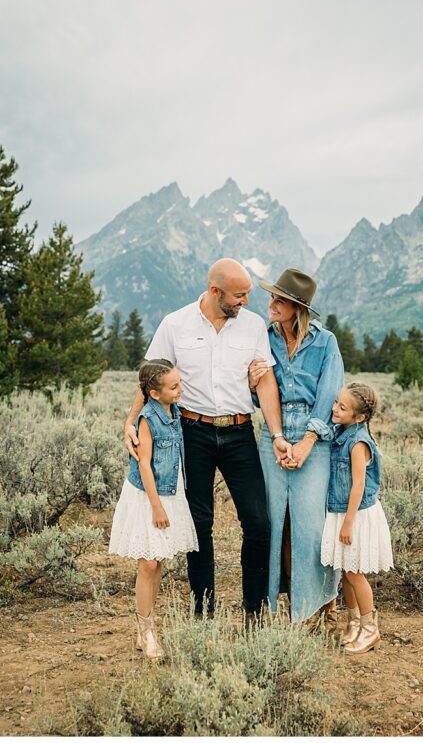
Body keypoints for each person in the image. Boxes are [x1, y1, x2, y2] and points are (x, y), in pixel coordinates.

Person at [124, 259, 288, 625]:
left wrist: (276, 434)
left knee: (258, 522)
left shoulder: (254, 326)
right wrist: (131, 420)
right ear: (215, 291)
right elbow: (148, 375)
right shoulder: (176, 323)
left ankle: (254, 611)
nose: (246, 301)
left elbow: (265, 382)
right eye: (239, 295)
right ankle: (203, 613)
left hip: (240, 430)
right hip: (191, 432)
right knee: (200, 524)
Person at [245, 268, 345, 626]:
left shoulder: (325, 342)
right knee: (276, 523)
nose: (271, 304)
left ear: (297, 307)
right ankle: (278, 606)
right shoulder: (264, 338)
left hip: (313, 439)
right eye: (272, 297)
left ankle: (318, 606)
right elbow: (254, 396)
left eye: (279, 299)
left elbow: (331, 394)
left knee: (310, 524)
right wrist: (252, 386)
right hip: (271, 435)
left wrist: (307, 441)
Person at [109, 359, 198, 658]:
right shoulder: (148, 418)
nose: (180, 390)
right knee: (147, 562)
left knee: (157, 561)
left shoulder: (174, 413)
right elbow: (144, 464)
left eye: (180, 383)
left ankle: (143, 628)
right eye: (174, 387)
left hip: (169, 492)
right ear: (154, 393)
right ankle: (146, 630)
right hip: (148, 497)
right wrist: (157, 508)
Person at [321, 382, 394, 654]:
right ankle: (354, 623)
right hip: (342, 511)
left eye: (342, 407)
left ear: (359, 417)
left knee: (354, 572)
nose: (335, 409)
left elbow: (358, 485)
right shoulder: (341, 433)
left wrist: (348, 522)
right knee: (345, 570)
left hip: (356, 514)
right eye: (336, 403)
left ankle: (370, 627)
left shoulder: (357, 442)